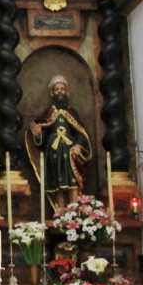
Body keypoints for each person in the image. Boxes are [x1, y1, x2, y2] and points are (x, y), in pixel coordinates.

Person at [26, 75, 92, 211]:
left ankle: (74, 210)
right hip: (53, 153)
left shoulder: (71, 112)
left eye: (62, 89)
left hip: (70, 152)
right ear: (52, 93)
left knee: (72, 180)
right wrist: (38, 136)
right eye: (57, 89)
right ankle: (60, 210)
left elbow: (81, 133)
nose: (60, 91)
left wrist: (78, 146)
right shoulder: (49, 113)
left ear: (67, 92)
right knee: (58, 182)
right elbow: (41, 143)